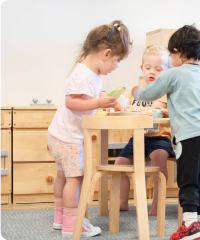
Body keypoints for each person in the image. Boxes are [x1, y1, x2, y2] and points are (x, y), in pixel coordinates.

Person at [132, 25, 200, 240]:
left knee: (187, 181)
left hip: (189, 136)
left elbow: (150, 93)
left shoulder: (173, 73)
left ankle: (189, 225)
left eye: (172, 55)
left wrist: (137, 91)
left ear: (178, 52)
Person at [47, 20, 131, 238]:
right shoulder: (83, 73)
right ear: (106, 53)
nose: (116, 66)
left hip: (60, 134)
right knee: (75, 179)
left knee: (64, 177)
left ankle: (60, 218)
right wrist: (97, 104)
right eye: (117, 60)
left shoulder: (90, 73)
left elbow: (92, 96)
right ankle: (72, 224)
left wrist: (112, 100)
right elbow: (72, 102)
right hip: (69, 138)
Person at [114, 45, 175, 216]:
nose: (152, 72)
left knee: (159, 159)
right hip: (137, 138)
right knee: (120, 165)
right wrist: (121, 106)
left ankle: (157, 203)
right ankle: (122, 201)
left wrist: (137, 109)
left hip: (159, 139)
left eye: (158, 69)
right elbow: (127, 107)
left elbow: (156, 107)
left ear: (167, 72)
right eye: (148, 68)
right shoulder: (137, 92)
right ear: (142, 69)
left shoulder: (164, 92)